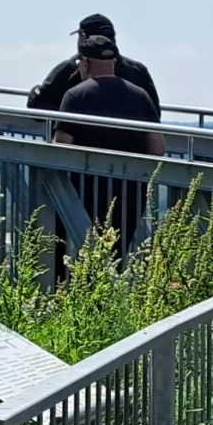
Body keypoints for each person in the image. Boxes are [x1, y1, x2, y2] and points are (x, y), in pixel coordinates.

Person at [53, 34, 165, 257]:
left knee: (80, 258)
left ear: (85, 64)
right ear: (114, 62)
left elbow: (62, 148)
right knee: (116, 258)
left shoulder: (75, 96)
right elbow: (157, 148)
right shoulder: (140, 96)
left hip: (84, 194)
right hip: (130, 195)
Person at [29, 13, 159, 114]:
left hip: (77, 140)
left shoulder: (69, 70)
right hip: (129, 141)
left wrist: (35, 92)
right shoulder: (138, 71)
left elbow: (37, 106)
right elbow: (154, 115)